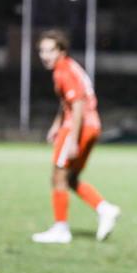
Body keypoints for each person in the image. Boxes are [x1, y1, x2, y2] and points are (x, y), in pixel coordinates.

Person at [32, 30, 120, 244]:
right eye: (42, 51)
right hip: (92, 126)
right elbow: (68, 103)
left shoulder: (63, 71)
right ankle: (105, 209)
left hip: (79, 127)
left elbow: (78, 103)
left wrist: (72, 138)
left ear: (61, 51)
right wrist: (56, 124)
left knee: (58, 176)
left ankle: (61, 229)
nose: (45, 55)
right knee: (70, 179)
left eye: (50, 50)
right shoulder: (69, 66)